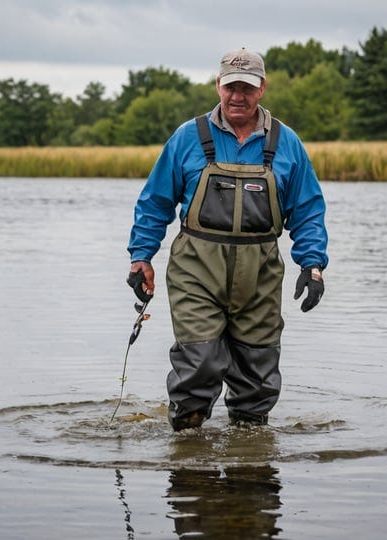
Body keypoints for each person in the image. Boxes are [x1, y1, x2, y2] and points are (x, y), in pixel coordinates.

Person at [127, 48, 328, 431]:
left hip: (260, 274)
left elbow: (308, 210)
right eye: (231, 86)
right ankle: (188, 456)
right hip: (197, 271)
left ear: (262, 88)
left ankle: (249, 459)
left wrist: (313, 264)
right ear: (218, 85)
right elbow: (155, 201)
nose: (238, 96)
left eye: (247, 88)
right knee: (199, 362)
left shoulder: (286, 143)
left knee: (257, 377)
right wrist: (141, 257)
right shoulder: (188, 137)